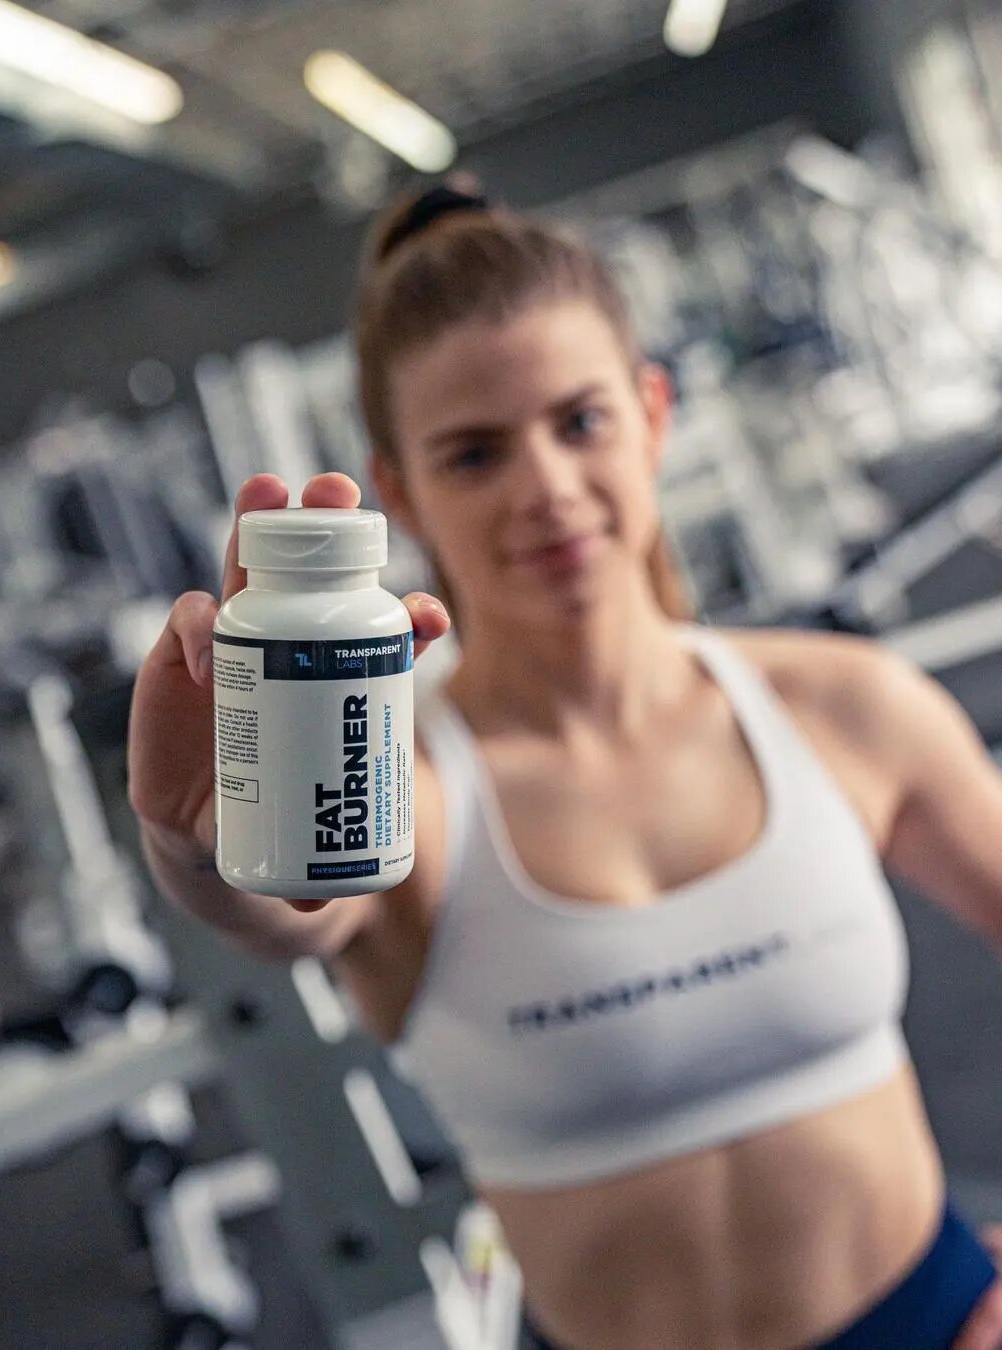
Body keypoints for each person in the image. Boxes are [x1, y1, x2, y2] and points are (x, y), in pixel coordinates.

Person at [127, 185, 1002, 1350]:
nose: (543, 486)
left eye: (579, 422)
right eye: (477, 453)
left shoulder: (846, 705)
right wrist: (202, 843)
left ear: (651, 413)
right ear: (401, 490)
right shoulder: (406, 792)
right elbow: (290, 910)